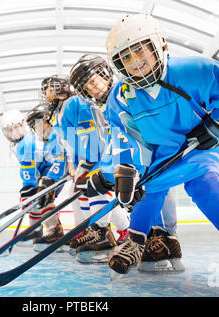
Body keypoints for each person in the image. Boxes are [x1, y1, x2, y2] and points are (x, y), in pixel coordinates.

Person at [84, 13, 219, 295]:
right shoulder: (120, 97)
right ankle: (136, 243)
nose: (136, 61)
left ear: (158, 45)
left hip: (197, 148)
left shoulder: (193, 70)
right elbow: (123, 138)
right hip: (158, 159)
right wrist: (122, 171)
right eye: (126, 57)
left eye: (140, 50)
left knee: (204, 185)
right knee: (147, 192)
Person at [69, 53, 184, 273]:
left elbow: (136, 132)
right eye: (86, 87)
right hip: (138, 159)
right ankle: (161, 241)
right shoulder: (102, 107)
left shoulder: (125, 91)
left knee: (155, 188)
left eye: (93, 81)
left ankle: (162, 238)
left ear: (105, 74)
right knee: (142, 193)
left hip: (155, 153)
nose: (92, 89)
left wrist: (128, 168)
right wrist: (107, 173)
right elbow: (114, 142)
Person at [42, 74, 131, 264]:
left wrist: (88, 161)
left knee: (96, 190)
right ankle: (93, 229)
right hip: (86, 159)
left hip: (98, 158)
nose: (46, 94)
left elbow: (90, 134)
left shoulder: (75, 104)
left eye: (49, 89)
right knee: (81, 192)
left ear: (61, 89)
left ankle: (115, 230)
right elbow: (69, 142)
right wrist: (73, 165)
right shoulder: (59, 111)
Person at [1, 106, 67, 252]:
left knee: (43, 197)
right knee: (35, 199)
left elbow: (29, 169)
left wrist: (29, 186)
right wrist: (28, 188)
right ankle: (35, 231)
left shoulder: (27, 142)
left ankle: (55, 230)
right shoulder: (20, 143)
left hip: (53, 171)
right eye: (9, 130)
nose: (14, 132)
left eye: (16, 128)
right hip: (46, 171)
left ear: (23, 125)